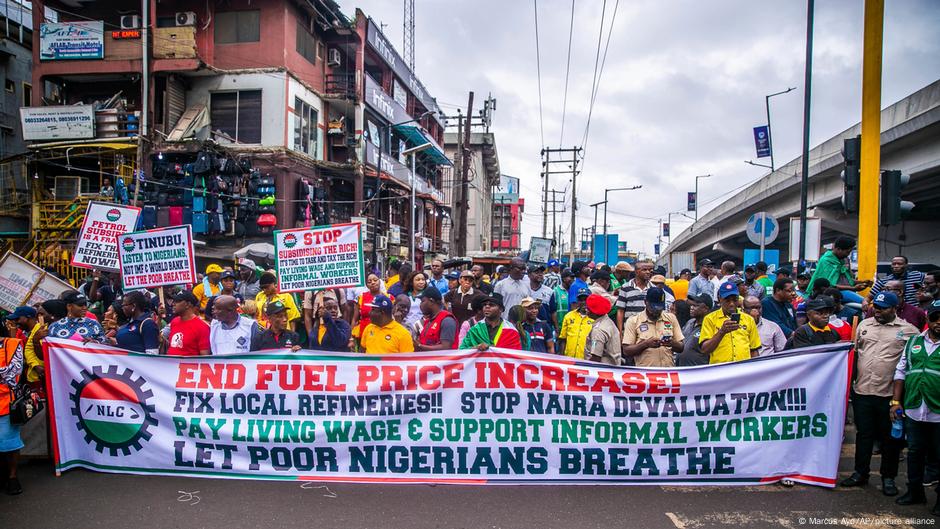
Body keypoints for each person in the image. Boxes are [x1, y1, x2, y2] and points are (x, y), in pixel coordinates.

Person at [840, 291, 917, 496]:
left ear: (894, 308)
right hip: (863, 391)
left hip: (889, 395)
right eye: (876, 307)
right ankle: (860, 473)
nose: (878, 311)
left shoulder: (909, 331)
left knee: (889, 439)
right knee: (864, 435)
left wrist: (899, 399)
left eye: (883, 308)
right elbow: (855, 354)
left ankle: (888, 477)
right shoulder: (864, 325)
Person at [891, 299, 940, 515]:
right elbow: (901, 372)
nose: (939, 323)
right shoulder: (913, 342)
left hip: (938, 412)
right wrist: (895, 402)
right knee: (915, 452)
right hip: (914, 409)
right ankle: (915, 491)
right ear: (928, 318)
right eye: (936, 318)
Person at [699, 282, 761, 364]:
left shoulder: (748, 319)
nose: (731, 304)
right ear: (719, 299)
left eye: (735, 300)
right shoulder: (710, 319)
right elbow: (704, 350)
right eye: (727, 300)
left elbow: (754, 349)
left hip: (744, 369)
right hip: (720, 370)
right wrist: (722, 332)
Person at [621, 287, 684, 367]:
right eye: (653, 308)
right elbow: (626, 351)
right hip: (646, 374)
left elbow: (681, 347)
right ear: (645, 302)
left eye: (659, 308)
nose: (656, 312)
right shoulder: (633, 321)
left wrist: (672, 343)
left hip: (668, 372)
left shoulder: (671, 318)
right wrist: (645, 344)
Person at [808, 236, 872, 300]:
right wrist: (853, 288)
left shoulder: (845, 260)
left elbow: (847, 280)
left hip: (848, 291)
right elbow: (829, 285)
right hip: (832, 293)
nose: (848, 255)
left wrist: (862, 282)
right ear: (838, 249)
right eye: (847, 252)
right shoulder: (826, 261)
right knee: (863, 302)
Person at [0, 335, 24, 495]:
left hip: (5, 403)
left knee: (9, 443)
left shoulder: (12, 344)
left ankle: (12, 476)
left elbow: (13, 375)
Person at [165, 291, 210, 356]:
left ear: (188, 304)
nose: (173, 304)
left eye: (177, 301)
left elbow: (204, 357)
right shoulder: (174, 322)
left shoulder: (202, 327)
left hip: (189, 365)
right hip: (171, 364)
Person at [614, 260, 654, 332]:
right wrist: (620, 332)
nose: (648, 272)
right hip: (630, 329)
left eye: (649, 270)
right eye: (644, 270)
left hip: (648, 329)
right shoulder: (626, 287)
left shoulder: (653, 289)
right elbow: (620, 311)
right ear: (636, 272)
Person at [584, 294, 621, 365]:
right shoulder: (608, 322)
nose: (586, 310)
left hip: (602, 370)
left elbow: (596, 358)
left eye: (589, 309)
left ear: (595, 312)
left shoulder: (598, 330)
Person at [677, 294, 713, 366]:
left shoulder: (711, 326)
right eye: (691, 305)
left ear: (706, 309)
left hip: (698, 372)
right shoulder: (690, 322)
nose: (692, 308)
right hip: (682, 369)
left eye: (696, 306)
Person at [558, 288, 594, 358]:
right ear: (577, 301)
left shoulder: (594, 318)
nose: (583, 302)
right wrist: (561, 357)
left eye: (586, 299)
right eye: (581, 300)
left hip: (586, 359)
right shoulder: (569, 316)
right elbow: (563, 339)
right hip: (569, 358)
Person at [350, 273, 385, 344]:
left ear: (380, 281)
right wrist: (351, 338)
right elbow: (354, 319)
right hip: (363, 334)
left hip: (382, 334)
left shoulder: (387, 298)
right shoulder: (360, 298)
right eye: (369, 282)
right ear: (367, 285)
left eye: (375, 280)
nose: (373, 282)